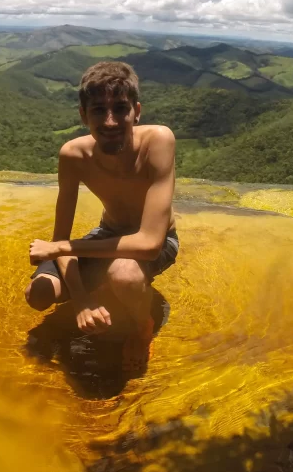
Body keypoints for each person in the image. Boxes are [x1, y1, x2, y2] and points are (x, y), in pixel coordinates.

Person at [25, 60, 178, 375]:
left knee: (124, 273)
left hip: (159, 239)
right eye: (98, 110)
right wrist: (81, 301)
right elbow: (61, 236)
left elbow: (149, 244)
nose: (110, 121)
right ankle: (102, 289)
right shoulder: (73, 156)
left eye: (120, 109)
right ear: (83, 115)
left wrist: (60, 249)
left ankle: (141, 327)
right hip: (108, 234)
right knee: (38, 293)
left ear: (137, 111)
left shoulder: (159, 141)